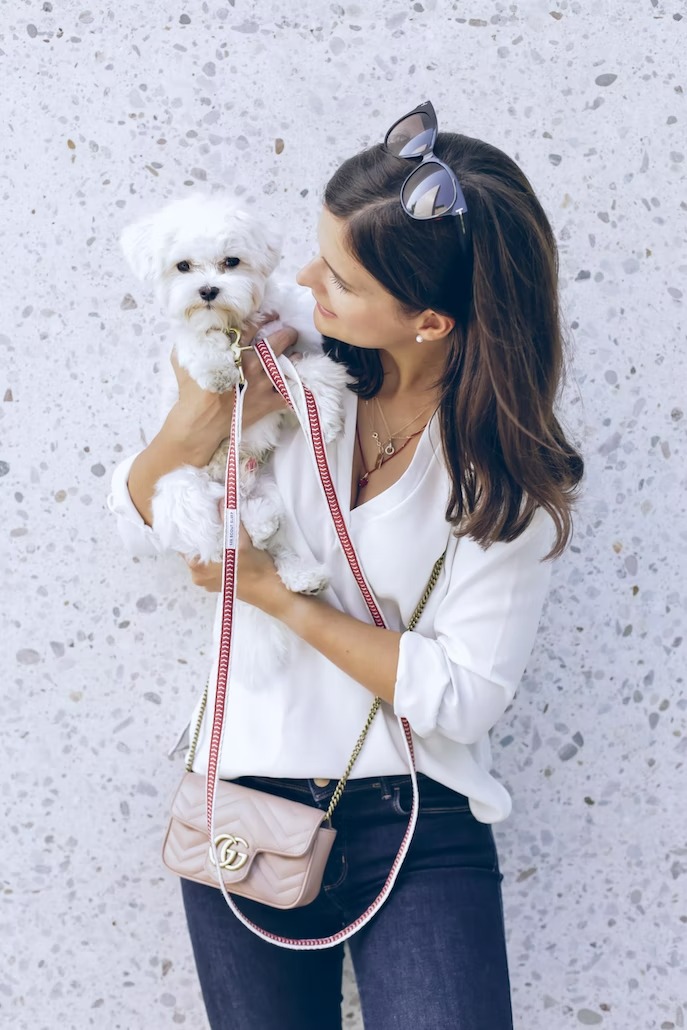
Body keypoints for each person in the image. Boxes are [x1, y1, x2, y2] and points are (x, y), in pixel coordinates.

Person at [107, 101, 583, 1030]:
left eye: (341, 277)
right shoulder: (290, 372)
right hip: (239, 802)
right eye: (317, 251)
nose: (302, 278)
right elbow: (137, 521)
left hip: (421, 824)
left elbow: (462, 696)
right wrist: (197, 423)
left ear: (431, 320)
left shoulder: (498, 472)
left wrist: (278, 597)